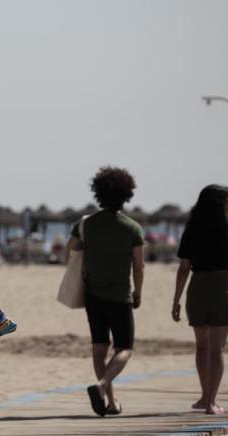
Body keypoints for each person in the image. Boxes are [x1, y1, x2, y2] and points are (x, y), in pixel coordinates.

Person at [66, 166, 145, 417]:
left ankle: (111, 401)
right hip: (120, 296)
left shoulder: (85, 224)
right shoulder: (132, 228)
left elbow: (69, 251)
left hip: (93, 295)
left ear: (98, 193)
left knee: (99, 348)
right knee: (125, 348)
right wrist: (138, 292)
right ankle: (102, 387)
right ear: (127, 194)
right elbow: (139, 265)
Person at [172, 185, 228, 415]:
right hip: (223, 286)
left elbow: (184, 268)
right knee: (217, 349)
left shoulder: (191, 230)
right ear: (221, 205)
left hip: (198, 286)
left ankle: (205, 397)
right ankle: (212, 401)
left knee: (202, 346)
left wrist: (176, 299)